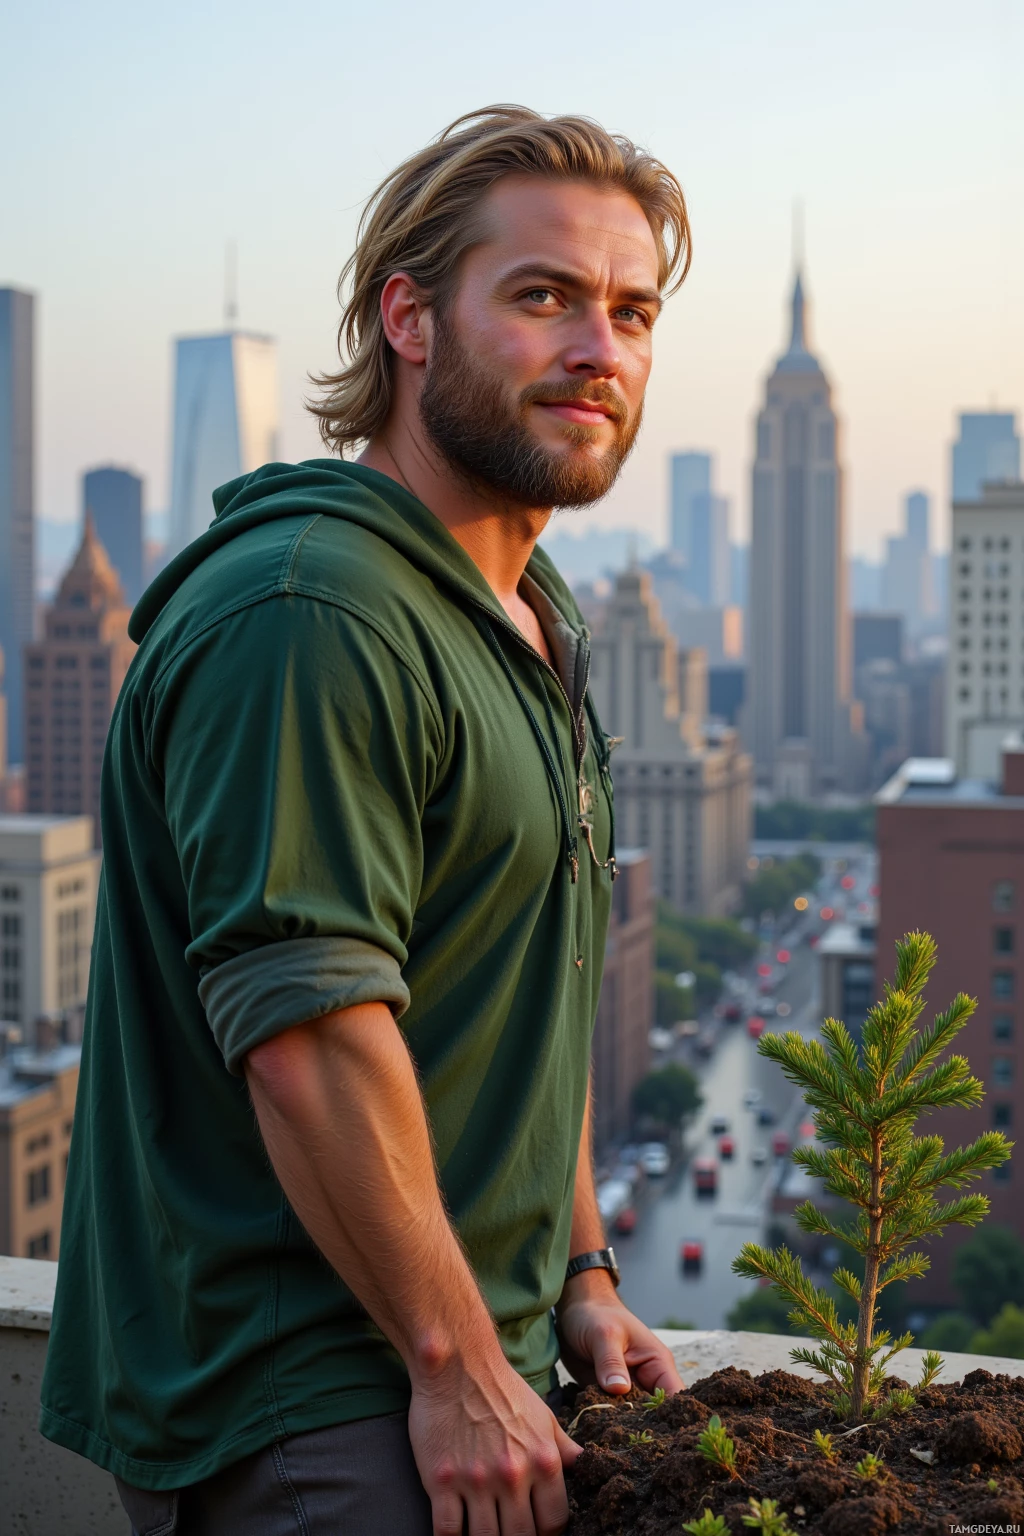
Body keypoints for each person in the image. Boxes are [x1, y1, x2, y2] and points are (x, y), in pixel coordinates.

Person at [41, 105, 691, 1536]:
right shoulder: (311, 613)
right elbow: (308, 1035)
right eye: (541, 297)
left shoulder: (529, 618)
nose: (600, 348)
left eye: (632, 310)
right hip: (319, 1405)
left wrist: (582, 1271)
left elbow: (539, 976)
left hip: (465, 1361)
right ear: (408, 318)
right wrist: (456, 1368)